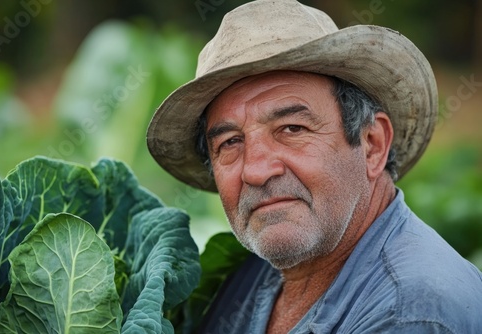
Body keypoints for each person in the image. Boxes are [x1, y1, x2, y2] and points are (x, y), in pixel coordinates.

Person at [147, 0, 482, 333]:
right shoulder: (257, 273)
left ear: (372, 144)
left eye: (292, 129)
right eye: (230, 142)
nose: (256, 171)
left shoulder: (411, 313)